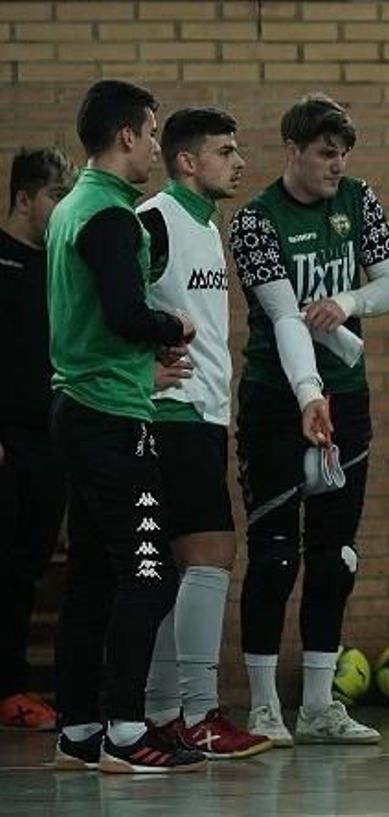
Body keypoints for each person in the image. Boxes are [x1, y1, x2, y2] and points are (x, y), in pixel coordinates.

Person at [228, 93, 389, 746]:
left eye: (343, 154)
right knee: (276, 556)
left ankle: (320, 705)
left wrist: (345, 298)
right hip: (278, 399)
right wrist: (307, 394)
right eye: (326, 154)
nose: (337, 165)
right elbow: (282, 319)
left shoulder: (358, 200)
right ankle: (266, 707)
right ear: (293, 152)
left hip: (347, 397)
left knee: (337, 556)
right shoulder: (255, 221)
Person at [47, 79, 204, 773]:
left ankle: (80, 730)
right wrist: (172, 325)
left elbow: (97, 314)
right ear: (128, 136)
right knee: (149, 577)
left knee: (91, 578)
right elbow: (121, 312)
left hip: (79, 407)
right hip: (111, 417)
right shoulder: (112, 215)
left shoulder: (72, 207)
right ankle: (125, 730)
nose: (154, 146)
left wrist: (145, 343)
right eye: (151, 130)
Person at [134, 107, 270, 760]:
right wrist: (141, 373)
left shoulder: (206, 225)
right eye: (226, 150)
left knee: (182, 566)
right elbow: (102, 305)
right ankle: (198, 711)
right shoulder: (153, 220)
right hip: (173, 416)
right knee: (213, 553)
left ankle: (163, 709)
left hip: (207, 415)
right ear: (188, 161)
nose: (239, 161)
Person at [0, 147, 75, 732]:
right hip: (6, 443)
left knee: (26, 567)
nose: (61, 207)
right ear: (24, 198)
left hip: (48, 441)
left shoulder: (57, 266)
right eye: (54, 196)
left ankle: (13, 689)